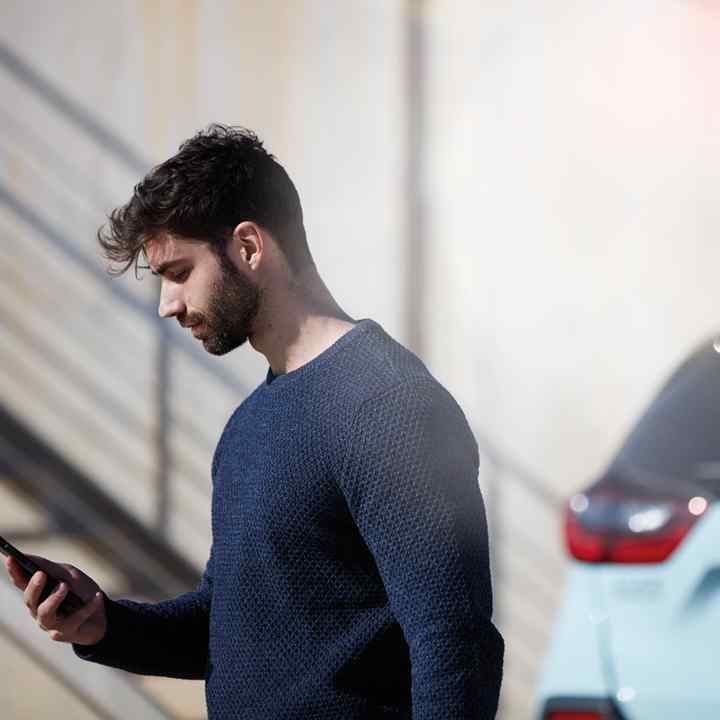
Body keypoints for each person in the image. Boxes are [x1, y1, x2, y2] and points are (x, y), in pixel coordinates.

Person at [3, 124, 504, 719]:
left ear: (248, 246)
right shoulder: (250, 423)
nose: (167, 305)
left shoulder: (389, 406)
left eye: (178, 272)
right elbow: (232, 632)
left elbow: (454, 646)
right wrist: (103, 623)